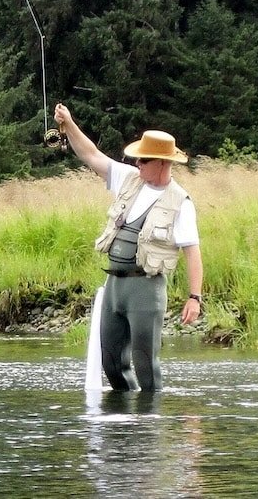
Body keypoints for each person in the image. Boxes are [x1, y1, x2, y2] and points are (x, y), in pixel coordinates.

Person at [54, 103, 203, 391]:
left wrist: (194, 298)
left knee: (145, 363)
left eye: (143, 160)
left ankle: (150, 426)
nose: (137, 164)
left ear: (161, 162)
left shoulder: (180, 202)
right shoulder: (129, 179)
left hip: (146, 290)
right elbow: (90, 155)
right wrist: (69, 124)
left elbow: (192, 252)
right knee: (111, 363)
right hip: (114, 287)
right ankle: (124, 429)